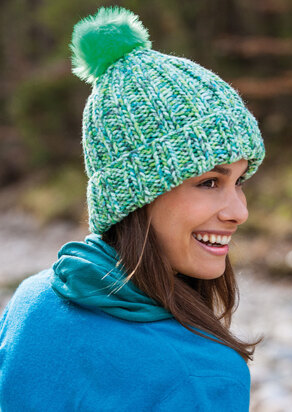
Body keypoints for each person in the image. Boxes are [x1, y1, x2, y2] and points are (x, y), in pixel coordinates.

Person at [0, 6, 265, 411]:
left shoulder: (30, 305)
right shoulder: (202, 374)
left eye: (239, 182)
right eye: (209, 182)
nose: (239, 212)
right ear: (136, 195)